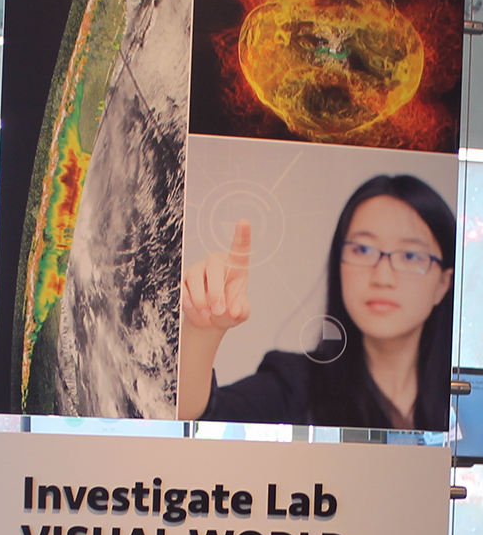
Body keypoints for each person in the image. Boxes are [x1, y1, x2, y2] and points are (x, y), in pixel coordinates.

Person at [177, 174, 455, 432]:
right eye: (362, 249)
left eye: (410, 255)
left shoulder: (463, 400)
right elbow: (195, 423)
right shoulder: (294, 385)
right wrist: (201, 333)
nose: (382, 277)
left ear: (443, 283)